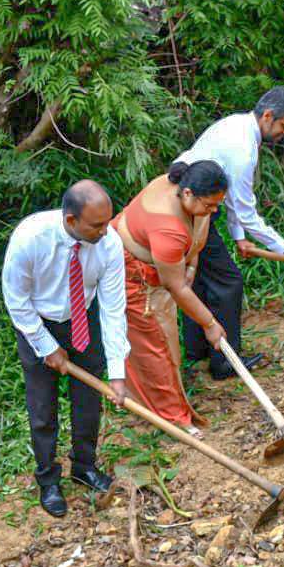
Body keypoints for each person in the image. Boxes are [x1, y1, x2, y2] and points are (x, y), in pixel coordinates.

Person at [2, 180, 129, 518]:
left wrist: (117, 372)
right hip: (36, 322)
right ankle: (48, 480)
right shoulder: (30, 238)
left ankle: (84, 466)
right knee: (42, 407)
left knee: (88, 399)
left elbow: (113, 308)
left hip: (83, 319)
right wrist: (46, 345)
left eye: (107, 222)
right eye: (96, 225)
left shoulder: (109, 243)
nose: (105, 231)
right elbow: (16, 300)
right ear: (71, 220)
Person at [174, 89, 284, 378]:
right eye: (283, 126)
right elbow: (245, 212)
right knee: (228, 282)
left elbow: (230, 198)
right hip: (190, 206)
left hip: (192, 202)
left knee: (200, 277)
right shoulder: (243, 148)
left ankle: (198, 350)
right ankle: (225, 362)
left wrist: (238, 238)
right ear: (267, 116)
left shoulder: (237, 124)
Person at [113, 160, 229, 435]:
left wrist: (191, 266)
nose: (214, 211)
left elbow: (195, 239)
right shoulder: (167, 227)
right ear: (188, 194)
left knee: (166, 337)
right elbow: (176, 287)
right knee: (154, 343)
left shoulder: (183, 185)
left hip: (158, 269)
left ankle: (165, 395)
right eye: (209, 205)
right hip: (130, 274)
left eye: (217, 205)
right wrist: (210, 324)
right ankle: (171, 415)